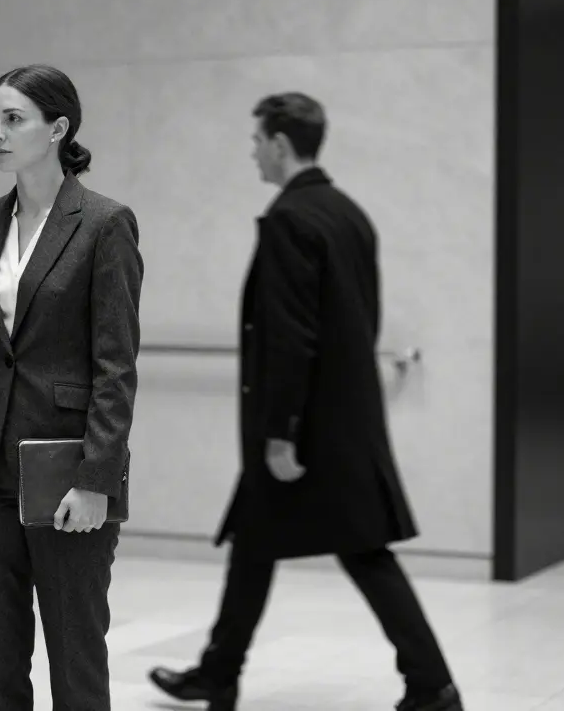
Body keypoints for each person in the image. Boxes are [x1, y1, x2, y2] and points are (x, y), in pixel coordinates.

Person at [147, 93, 463, 711]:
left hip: (310, 429)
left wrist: (283, 429)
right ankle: (219, 672)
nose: (253, 153)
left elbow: (292, 335)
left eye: (257, 141)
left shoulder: (291, 219)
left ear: (281, 145)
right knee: (256, 541)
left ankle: (433, 687)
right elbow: (356, 323)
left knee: (364, 552)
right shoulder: (349, 213)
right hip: (344, 418)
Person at [0, 63, 143, 711]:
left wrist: (97, 479)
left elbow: (116, 367)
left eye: (12, 119)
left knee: (75, 667)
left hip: (64, 473)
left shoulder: (104, 224)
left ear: (58, 128)